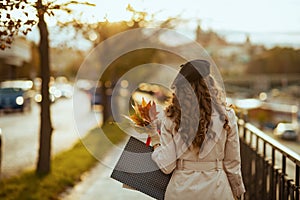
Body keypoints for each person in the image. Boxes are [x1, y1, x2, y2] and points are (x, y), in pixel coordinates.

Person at [148, 59, 246, 200]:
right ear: (210, 84)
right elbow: (232, 163)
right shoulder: (226, 117)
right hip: (217, 189)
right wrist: (237, 190)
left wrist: (156, 143)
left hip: (181, 191)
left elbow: (167, 166)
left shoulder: (170, 117)